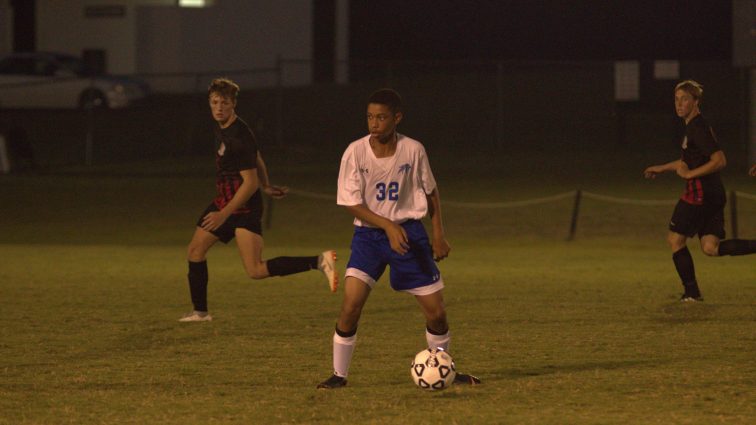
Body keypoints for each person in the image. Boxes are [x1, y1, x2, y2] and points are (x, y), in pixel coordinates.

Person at [316, 89, 480, 388]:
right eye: (369, 117)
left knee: (437, 313)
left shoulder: (413, 149)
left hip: (410, 235)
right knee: (350, 305)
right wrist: (387, 226)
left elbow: (431, 191)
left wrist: (439, 234)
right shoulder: (354, 152)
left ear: (397, 118)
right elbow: (350, 202)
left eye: (381, 117)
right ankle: (339, 376)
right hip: (368, 238)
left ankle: (441, 367)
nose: (374, 123)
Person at [179, 78, 338, 322]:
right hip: (225, 201)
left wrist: (227, 212)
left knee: (255, 270)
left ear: (233, 104)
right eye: (214, 103)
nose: (219, 108)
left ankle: (318, 261)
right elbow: (258, 157)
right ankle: (200, 312)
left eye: (224, 103)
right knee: (195, 251)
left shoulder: (238, 137)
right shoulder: (222, 127)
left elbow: (248, 182)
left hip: (243, 209)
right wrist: (266, 184)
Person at [643, 80, 756, 301]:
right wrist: (663, 168)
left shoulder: (698, 128)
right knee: (710, 247)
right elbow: (687, 162)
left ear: (696, 101)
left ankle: (692, 293)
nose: (679, 104)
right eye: (676, 99)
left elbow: (720, 160)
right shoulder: (693, 127)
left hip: (699, 195)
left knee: (675, 240)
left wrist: (690, 175)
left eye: (685, 99)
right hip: (714, 194)